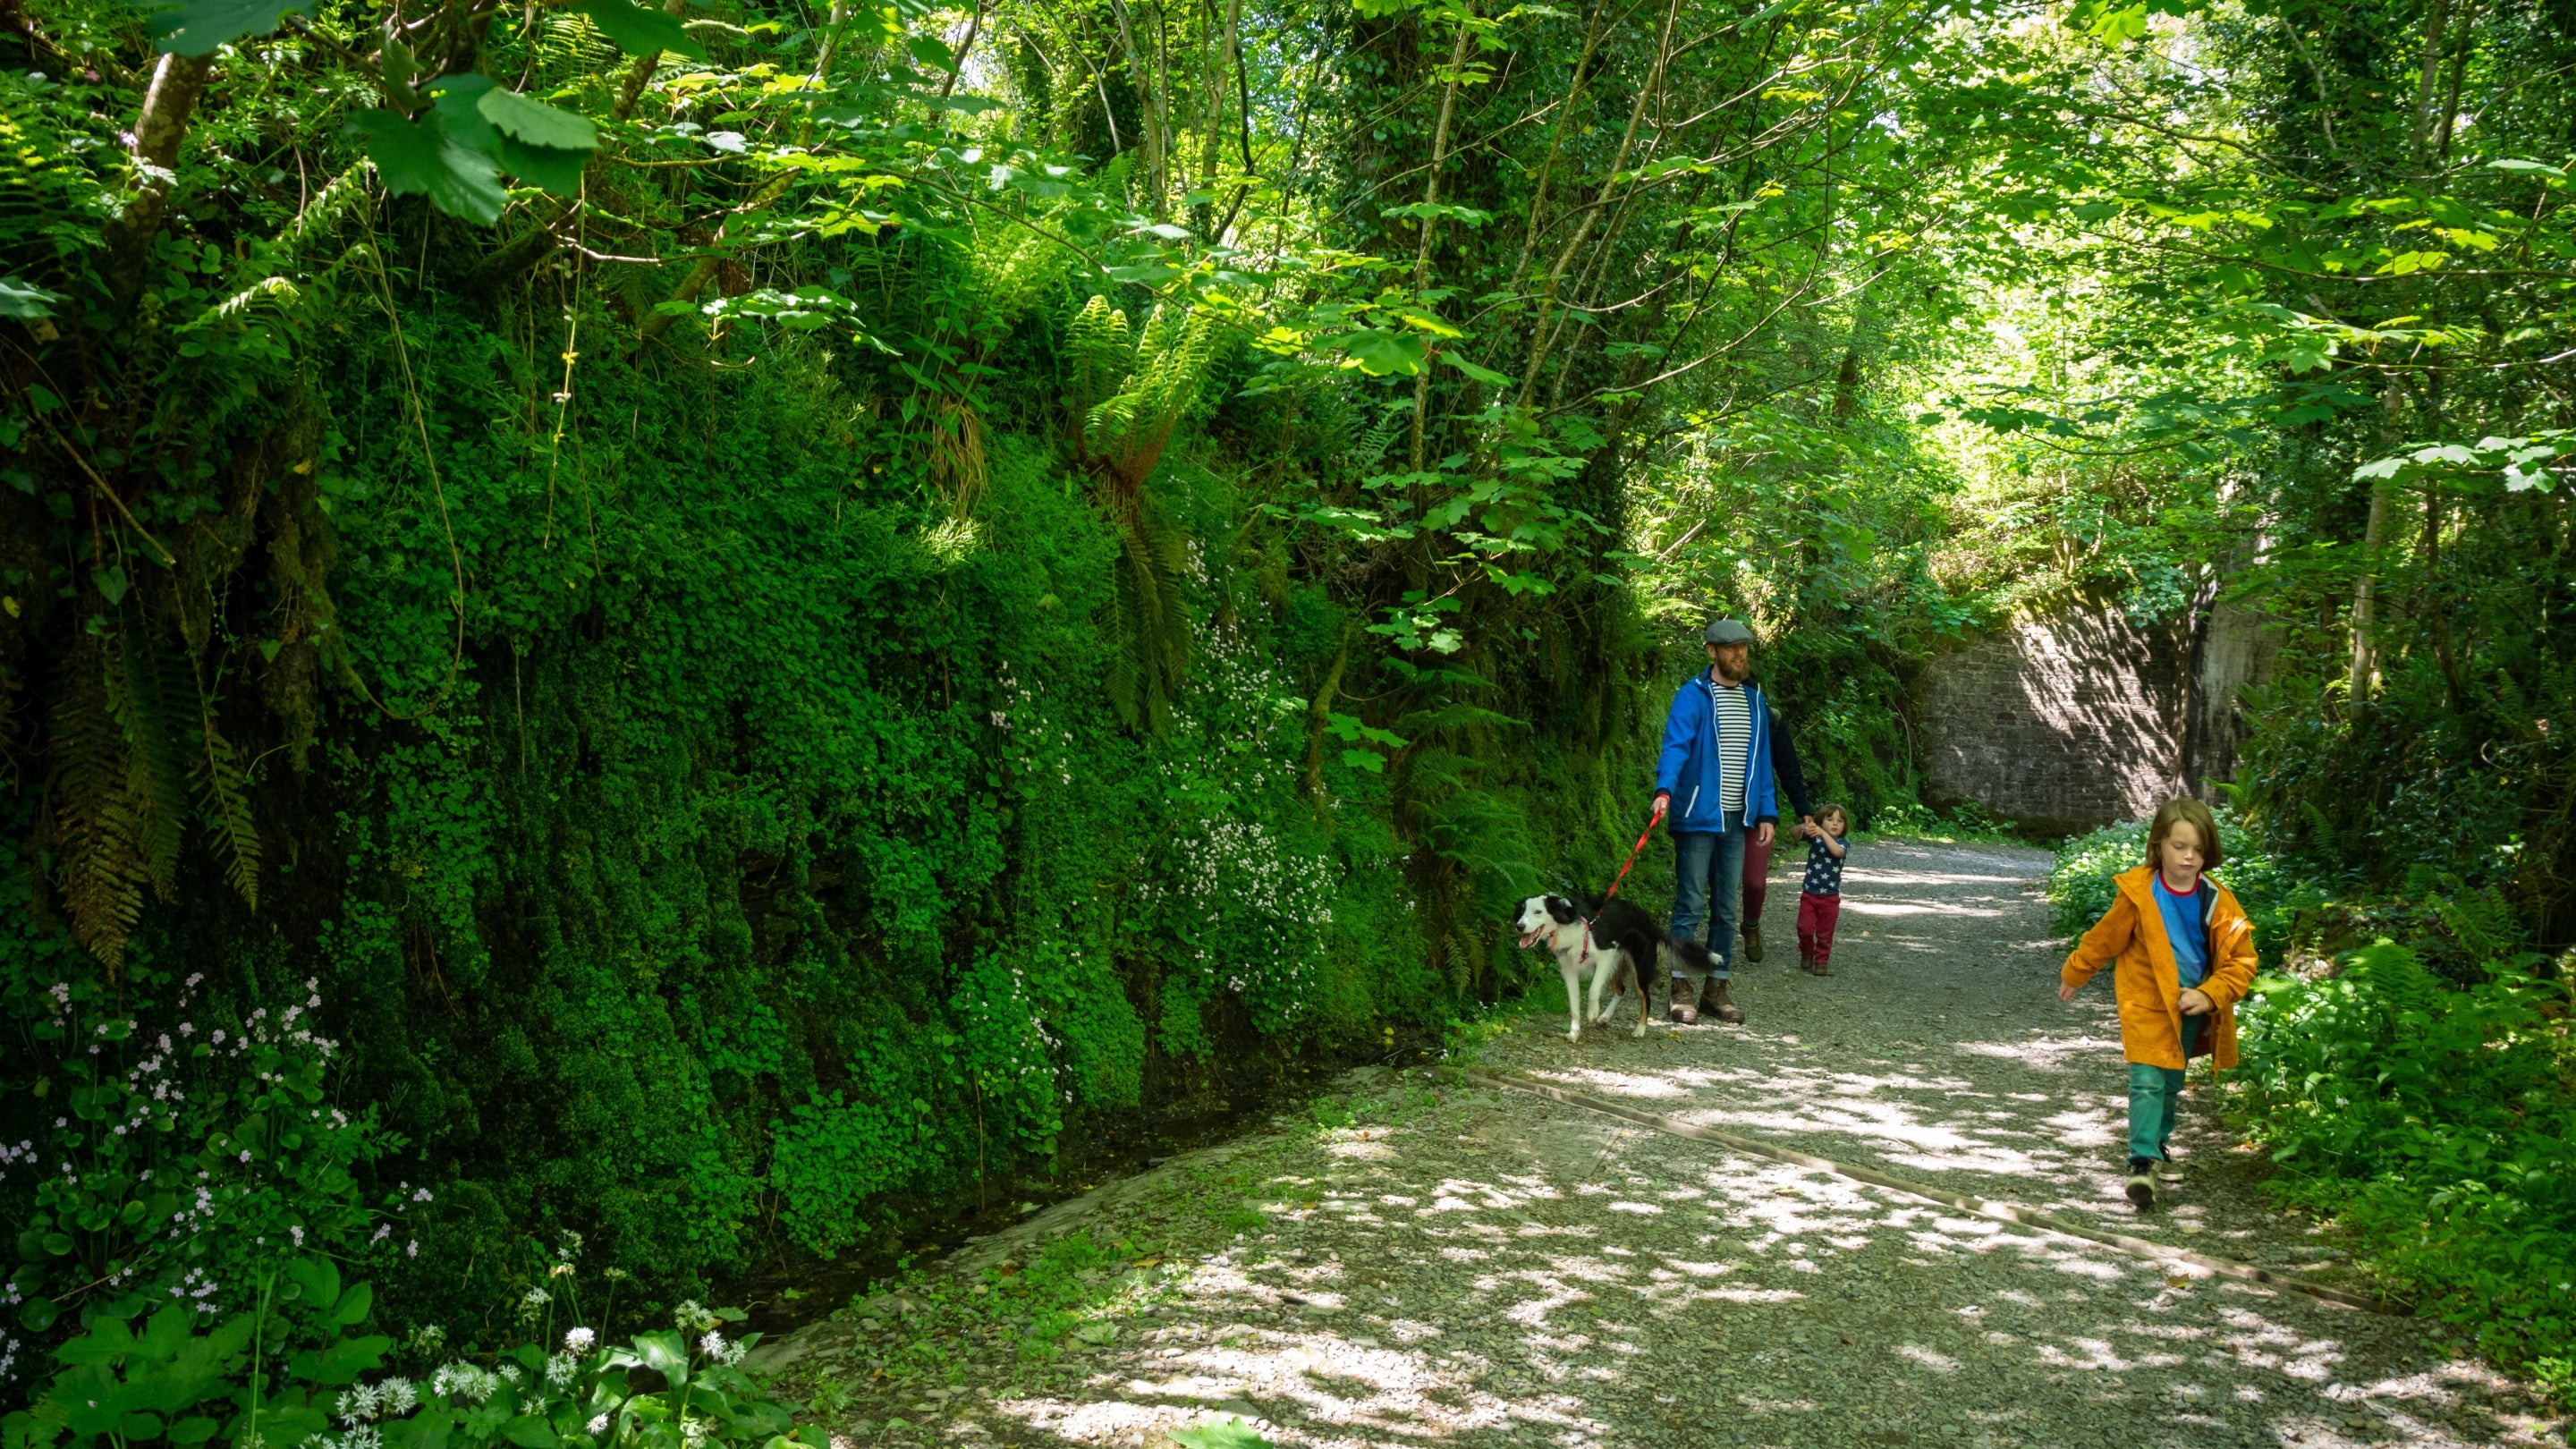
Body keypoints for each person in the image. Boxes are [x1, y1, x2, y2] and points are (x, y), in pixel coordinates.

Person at [2057, 797, 2258, 1209]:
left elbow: (2242, 961)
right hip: (2146, 1004)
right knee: (2147, 1081)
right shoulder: (2139, 893)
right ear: (2158, 845)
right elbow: (2105, 938)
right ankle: (2142, 1160)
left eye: (2198, 849)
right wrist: (2076, 971)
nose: (2189, 856)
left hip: (2190, 1007)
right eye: (2179, 846)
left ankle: (2160, 1145)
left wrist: (2208, 994)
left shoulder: (2218, 901)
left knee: (2171, 1084)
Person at [1650, 617, 1781, 1026]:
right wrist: (1664, 789)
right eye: (1730, 648)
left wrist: (1766, 812)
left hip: (1737, 820)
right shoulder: (1692, 696)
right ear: (1712, 651)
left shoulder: (1755, 700)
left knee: (1727, 909)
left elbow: (1762, 763)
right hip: (1696, 816)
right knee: (1689, 904)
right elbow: (1676, 745)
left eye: (1743, 647)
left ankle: (1716, 987)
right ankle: (1680, 986)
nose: (1739, 655)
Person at [1738, 708, 1816, 963]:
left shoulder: (1771, 721)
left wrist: (1804, 810)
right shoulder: (1712, 710)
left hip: (1760, 813)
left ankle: (1751, 925)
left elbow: (1788, 768)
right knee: (1718, 880)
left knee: (1754, 882)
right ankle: (1717, 942)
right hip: (1717, 811)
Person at [1794, 803, 1850, 975]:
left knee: (1825, 933)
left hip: (1830, 899)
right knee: (1804, 928)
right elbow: (1795, 835)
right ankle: (1806, 951)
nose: (1835, 823)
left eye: (1840, 821)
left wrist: (1823, 833)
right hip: (1809, 894)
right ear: (1820, 821)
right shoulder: (1814, 838)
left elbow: (1837, 853)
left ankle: (1821, 962)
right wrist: (1804, 827)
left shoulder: (1842, 843)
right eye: (1830, 819)